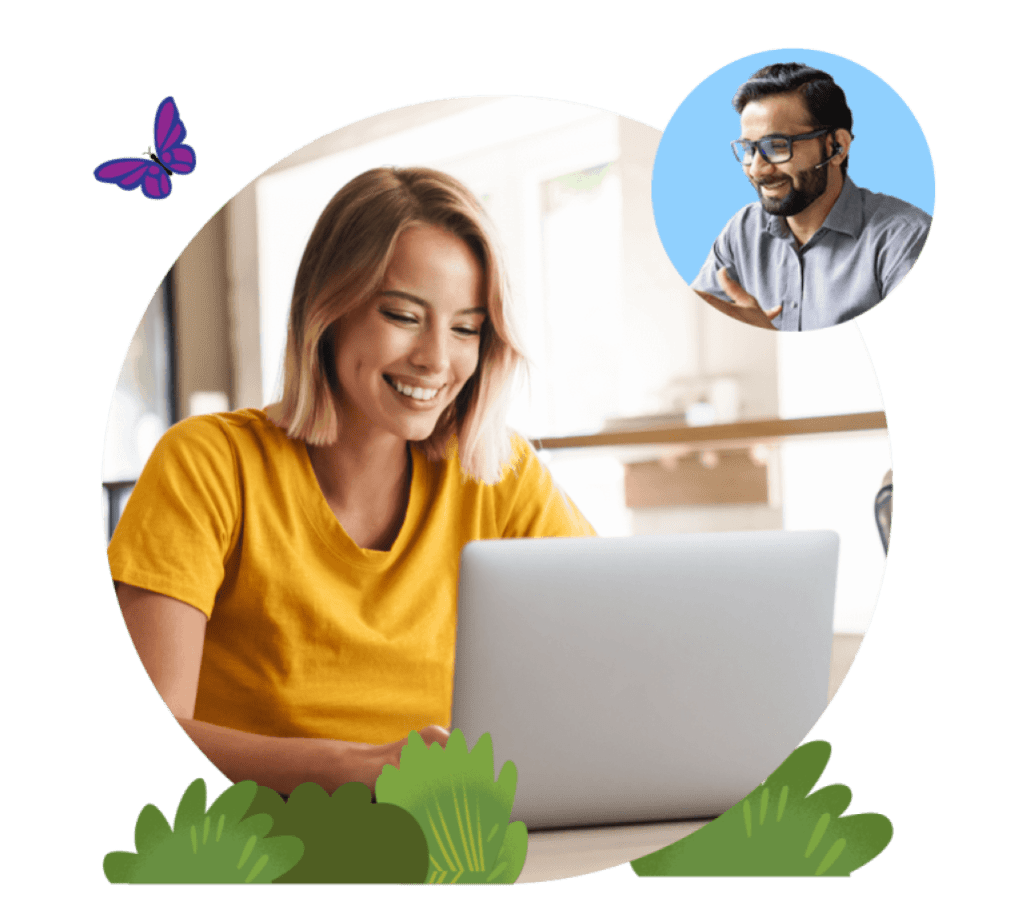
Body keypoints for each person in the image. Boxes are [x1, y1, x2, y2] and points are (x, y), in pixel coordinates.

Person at [108, 167, 594, 796]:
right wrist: (351, 770)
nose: (436, 360)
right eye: (402, 314)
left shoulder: (500, 474)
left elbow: (614, 651)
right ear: (326, 310)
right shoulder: (208, 463)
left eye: (466, 328)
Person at [690, 63, 933, 331]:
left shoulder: (904, 238)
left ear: (836, 147)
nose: (757, 168)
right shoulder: (743, 231)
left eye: (777, 146)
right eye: (749, 148)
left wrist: (770, 343)